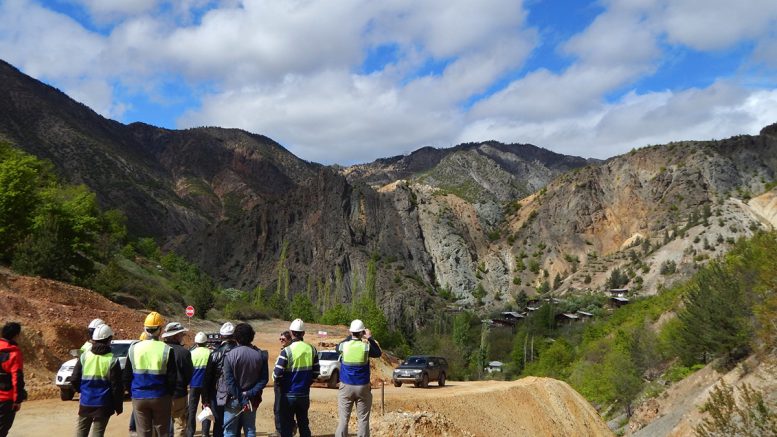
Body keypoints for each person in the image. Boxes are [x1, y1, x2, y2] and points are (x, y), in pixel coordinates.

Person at [123, 311, 177, 437]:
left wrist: (133, 393)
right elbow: (172, 378)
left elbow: (126, 377)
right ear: (160, 329)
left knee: (143, 432)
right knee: (162, 431)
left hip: (139, 397)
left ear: (145, 329)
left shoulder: (133, 348)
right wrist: (169, 394)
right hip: (161, 396)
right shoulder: (167, 349)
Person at [71, 324, 124, 437]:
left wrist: (82, 391)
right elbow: (117, 387)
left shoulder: (84, 357)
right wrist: (118, 406)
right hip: (103, 404)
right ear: (109, 339)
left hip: (86, 401)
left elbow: (74, 378)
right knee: (97, 433)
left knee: (81, 432)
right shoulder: (112, 360)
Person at [335, 320, 382, 437]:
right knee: (363, 419)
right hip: (362, 387)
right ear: (362, 332)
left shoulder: (344, 346)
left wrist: (350, 335)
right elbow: (378, 353)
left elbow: (337, 347)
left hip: (346, 386)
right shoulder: (366, 347)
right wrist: (370, 338)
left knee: (343, 420)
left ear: (351, 331)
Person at [273, 319, 319, 437]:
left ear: (291, 333)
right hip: (303, 394)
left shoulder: (287, 351)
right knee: (304, 424)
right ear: (303, 333)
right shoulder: (312, 349)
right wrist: (307, 383)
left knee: (287, 426)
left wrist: (280, 382)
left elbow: (277, 374)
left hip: (288, 395)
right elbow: (316, 372)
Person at [222, 323, 268, 437]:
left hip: (233, 400)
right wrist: (249, 394)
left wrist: (242, 398)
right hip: (252, 400)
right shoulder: (260, 355)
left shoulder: (229, 355)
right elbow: (264, 379)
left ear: (235, 337)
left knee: (229, 431)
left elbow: (229, 382)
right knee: (250, 429)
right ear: (251, 336)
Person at [202, 322, 236, 437]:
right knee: (233, 424)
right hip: (236, 393)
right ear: (234, 336)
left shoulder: (215, 354)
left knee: (218, 423)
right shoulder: (239, 352)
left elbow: (207, 378)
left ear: (221, 336)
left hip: (216, 394)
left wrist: (205, 399)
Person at [162, 322, 193, 437]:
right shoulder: (184, 353)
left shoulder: (161, 349)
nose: (183, 337)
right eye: (181, 334)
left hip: (161, 394)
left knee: (161, 425)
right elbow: (190, 375)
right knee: (179, 425)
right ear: (175, 336)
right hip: (179, 394)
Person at [0, 322, 26, 437]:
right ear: (16, 335)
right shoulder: (14, 353)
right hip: (6, 399)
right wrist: (17, 400)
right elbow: (17, 378)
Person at [187, 332, 212, 437]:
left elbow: (188, 370)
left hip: (194, 385)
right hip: (207, 385)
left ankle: (190, 433)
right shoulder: (210, 352)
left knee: (191, 410)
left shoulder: (191, 353)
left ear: (196, 342)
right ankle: (205, 433)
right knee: (206, 408)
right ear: (206, 342)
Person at [271, 331, 292, 437]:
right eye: (280, 339)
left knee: (278, 408)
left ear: (289, 339)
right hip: (282, 384)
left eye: (283, 339)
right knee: (280, 408)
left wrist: (275, 377)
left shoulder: (287, 352)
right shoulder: (284, 351)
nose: (281, 341)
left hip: (281, 383)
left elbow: (279, 371)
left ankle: (279, 431)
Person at [128, 332, 149, 437]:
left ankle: (133, 428)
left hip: (137, 388)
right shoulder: (147, 352)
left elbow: (127, 374)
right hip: (145, 388)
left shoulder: (134, 350)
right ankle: (134, 428)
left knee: (136, 410)